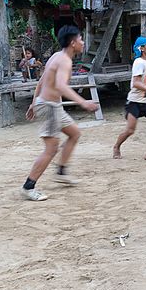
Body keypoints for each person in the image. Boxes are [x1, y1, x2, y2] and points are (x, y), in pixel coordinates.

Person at [20, 26, 99, 201]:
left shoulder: (57, 56)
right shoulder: (64, 61)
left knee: (74, 133)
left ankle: (61, 172)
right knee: (51, 149)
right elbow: (61, 86)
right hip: (49, 106)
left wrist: (34, 104)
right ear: (73, 43)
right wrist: (83, 102)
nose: (83, 42)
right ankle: (28, 186)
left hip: (51, 105)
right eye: (80, 39)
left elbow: (42, 81)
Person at [113, 37, 146, 160]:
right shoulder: (138, 62)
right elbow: (136, 83)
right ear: (142, 49)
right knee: (130, 130)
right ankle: (116, 146)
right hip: (134, 102)